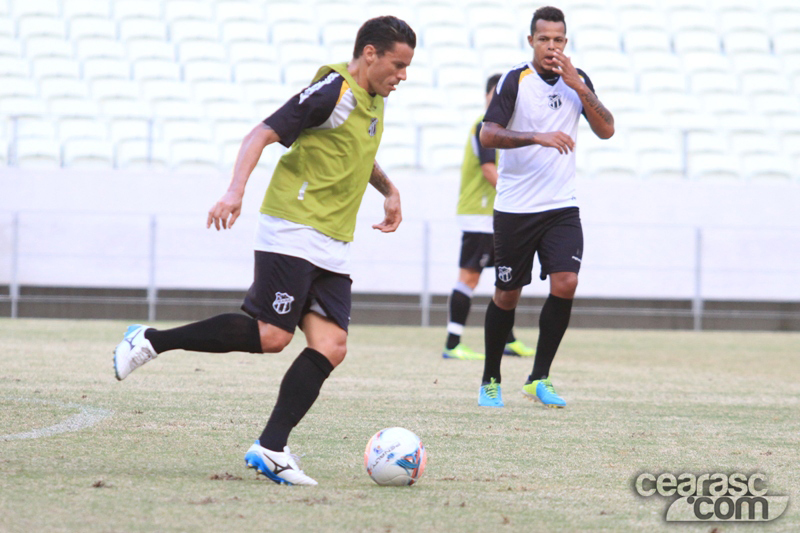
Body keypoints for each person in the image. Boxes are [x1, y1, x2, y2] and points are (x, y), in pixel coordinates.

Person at [112, 16, 416, 485]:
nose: (403, 75)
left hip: (333, 239)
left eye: (407, 67)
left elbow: (356, 150)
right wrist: (235, 192)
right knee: (274, 335)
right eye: (397, 65)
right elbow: (261, 133)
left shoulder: (373, 101)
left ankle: (271, 448)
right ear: (370, 54)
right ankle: (150, 340)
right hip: (293, 228)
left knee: (332, 347)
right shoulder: (333, 90)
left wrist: (389, 189)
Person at [476, 6, 614, 408]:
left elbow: (606, 130)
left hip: (561, 207)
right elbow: (488, 133)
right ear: (531, 41)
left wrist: (580, 87)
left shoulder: (578, 81)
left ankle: (539, 378)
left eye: (557, 40)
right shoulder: (515, 79)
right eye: (543, 39)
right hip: (516, 208)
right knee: (507, 294)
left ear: (565, 42)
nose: (550, 46)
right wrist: (537, 137)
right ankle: (490, 379)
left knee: (566, 283)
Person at [442, 74, 535, 361]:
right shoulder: (485, 126)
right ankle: (452, 343)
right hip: (479, 215)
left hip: (496, 216)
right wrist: (518, 195)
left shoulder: (505, 129)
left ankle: (508, 340)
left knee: (506, 278)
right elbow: (487, 169)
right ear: (488, 96)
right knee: (469, 278)